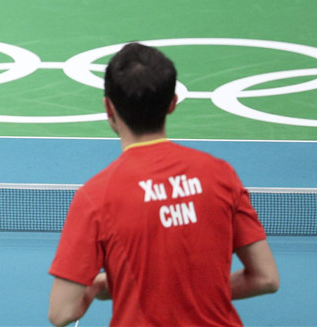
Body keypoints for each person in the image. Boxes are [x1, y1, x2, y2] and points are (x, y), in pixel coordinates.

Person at [48, 43, 279, 326]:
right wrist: (193, 293)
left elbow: (61, 313)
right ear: (172, 102)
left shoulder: (94, 197)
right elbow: (266, 278)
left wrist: (113, 288)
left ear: (108, 107)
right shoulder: (221, 174)